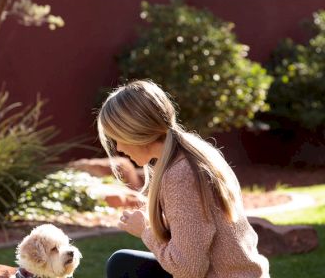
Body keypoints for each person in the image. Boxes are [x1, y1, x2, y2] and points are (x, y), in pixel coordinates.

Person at [96, 80, 270, 278]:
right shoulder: (195, 152)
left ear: (134, 131)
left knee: (123, 267)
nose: (118, 148)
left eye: (117, 137)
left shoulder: (181, 175)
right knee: (125, 263)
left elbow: (188, 268)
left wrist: (145, 231)